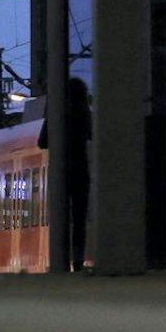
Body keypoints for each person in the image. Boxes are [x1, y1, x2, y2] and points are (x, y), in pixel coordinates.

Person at [39, 77, 92, 271]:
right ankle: (78, 260)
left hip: (60, 170)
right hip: (81, 169)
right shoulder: (84, 114)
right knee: (79, 218)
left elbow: (42, 141)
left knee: (61, 216)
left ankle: (60, 257)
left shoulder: (54, 115)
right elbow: (92, 134)